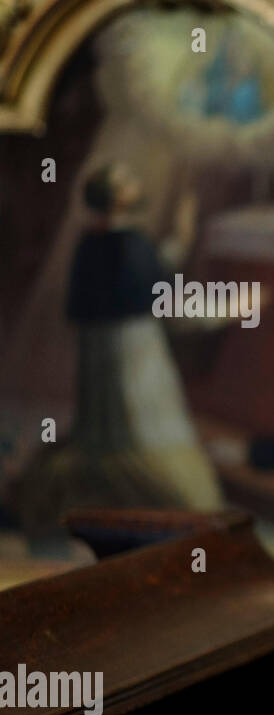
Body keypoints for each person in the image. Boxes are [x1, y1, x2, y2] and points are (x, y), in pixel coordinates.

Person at [8, 161, 222, 536]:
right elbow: (160, 293)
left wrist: (182, 238)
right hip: (133, 350)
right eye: (125, 181)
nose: (134, 183)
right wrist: (223, 311)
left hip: (99, 350)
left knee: (107, 432)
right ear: (115, 198)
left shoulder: (92, 243)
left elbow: (146, 275)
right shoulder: (129, 242)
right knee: (143, 429)